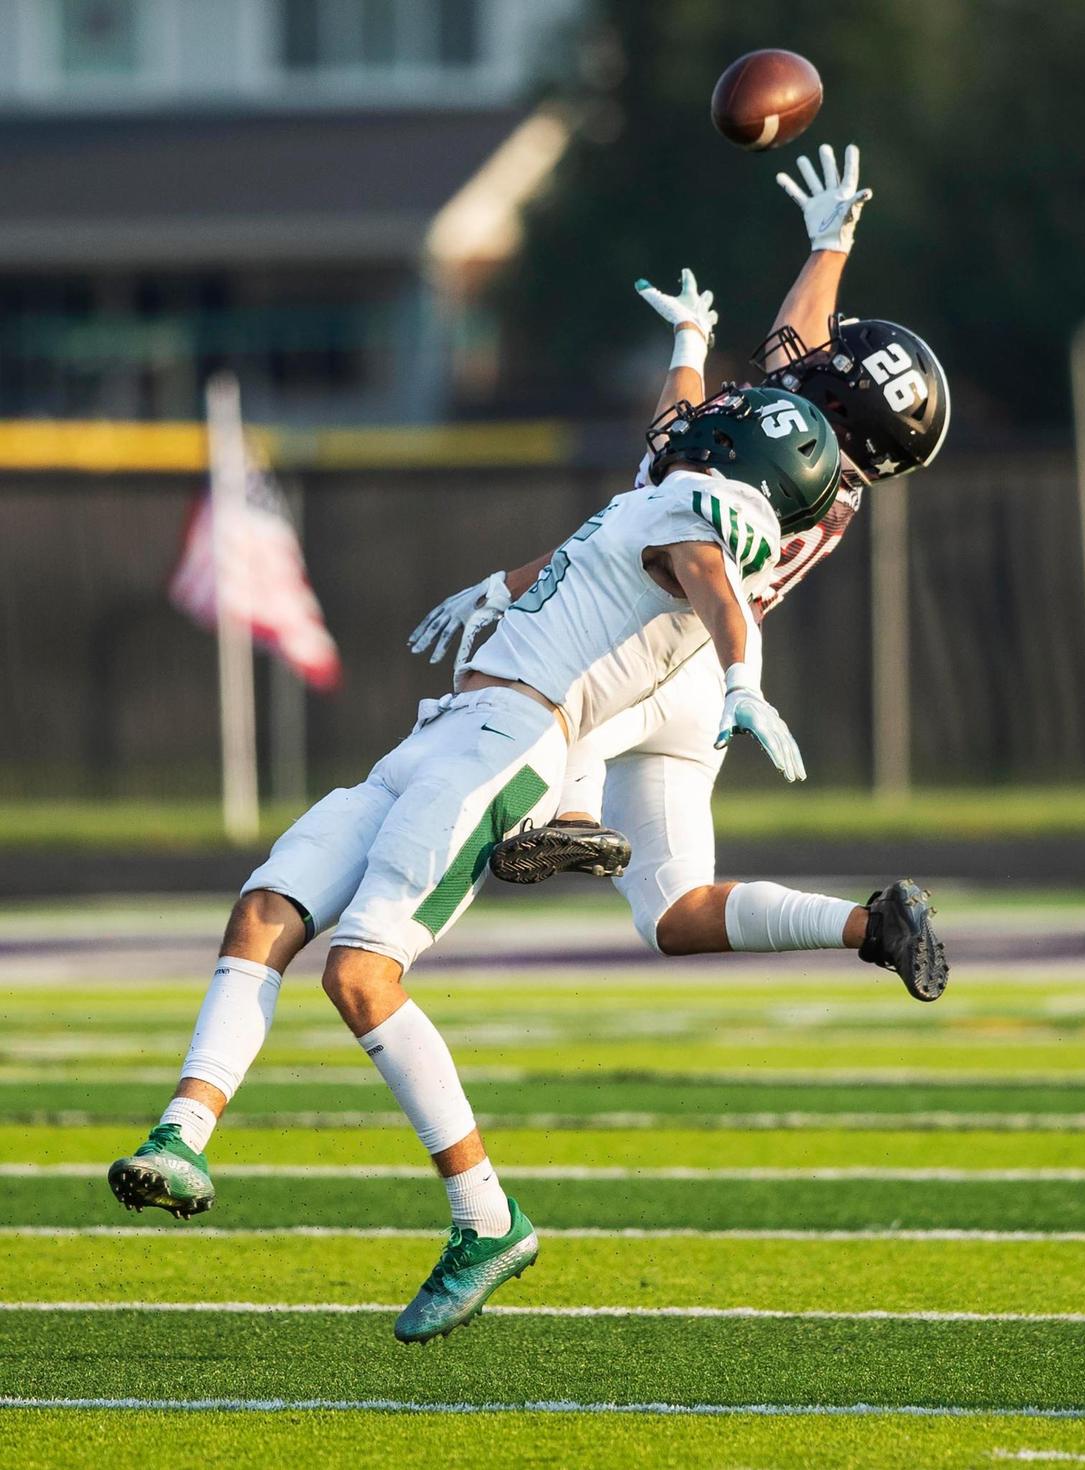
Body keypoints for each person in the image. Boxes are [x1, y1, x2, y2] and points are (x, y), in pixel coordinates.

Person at [108, 360, 841, 1344]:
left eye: (722, 422)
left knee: (362, 976)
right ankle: (183, 1134)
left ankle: (486, 1221)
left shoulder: (711, 508)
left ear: (743, 455)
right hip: (450, 729)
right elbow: (657, 474)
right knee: (266, 908)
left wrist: (744, 677)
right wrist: (691, 334)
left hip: (508, 744)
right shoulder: (669, 495)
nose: (697, 424)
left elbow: (709, 572)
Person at [410, 143, 950, 1001]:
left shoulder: (777, 447)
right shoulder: (831, 476)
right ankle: (870, 924)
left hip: (658, 641)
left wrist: (696, 340)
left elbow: (671, 450)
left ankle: (571, 815)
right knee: (675, 912)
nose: (817, 355)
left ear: (837, 407)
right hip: (702, 684)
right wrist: (828, 248)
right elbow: (800, 362)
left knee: (545, 708)